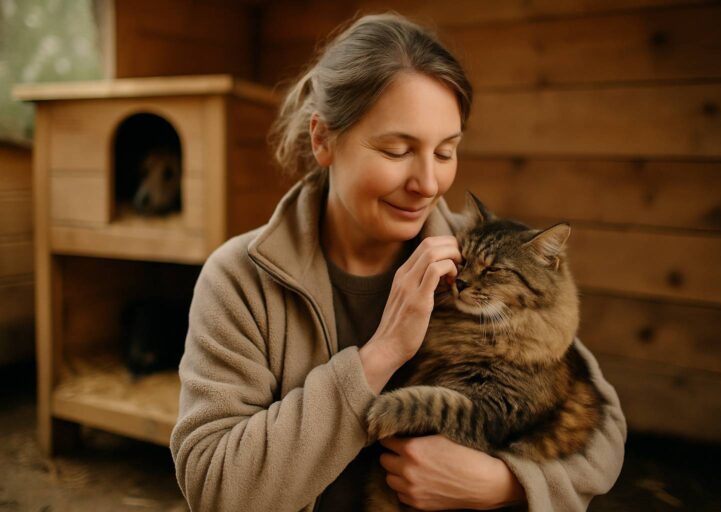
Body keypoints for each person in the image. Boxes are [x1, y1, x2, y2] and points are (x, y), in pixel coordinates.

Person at [170, 13, 627, 512]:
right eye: (396, 150)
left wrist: (504, 483)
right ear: (322, 139)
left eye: (446, 152)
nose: (428, 184)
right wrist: (380, 354)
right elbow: (214, 487)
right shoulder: (238, 279)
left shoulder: (470, 255)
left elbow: (606, 438)